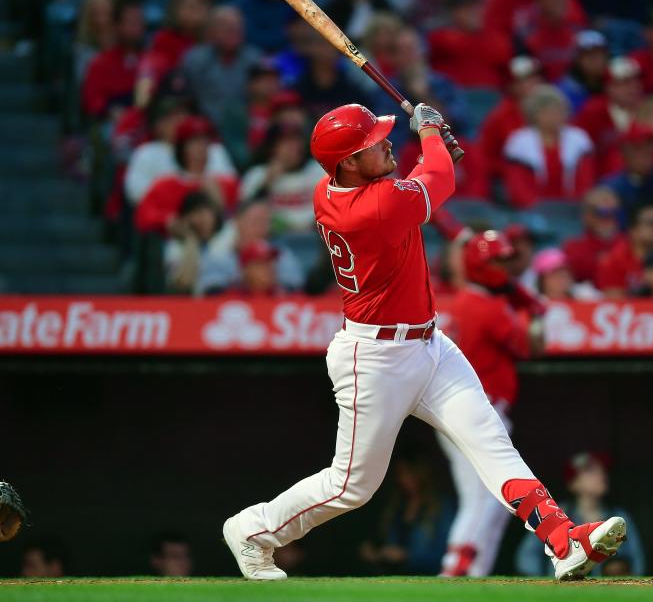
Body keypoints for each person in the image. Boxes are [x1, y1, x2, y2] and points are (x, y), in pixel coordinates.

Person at [221, 102, 627, 581]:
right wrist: (431, 133)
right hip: (374, 359)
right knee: (352, 486)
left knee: (493, 443)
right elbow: (433, 184)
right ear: (348, 162)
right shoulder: (372, 207)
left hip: (430, 346)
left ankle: (563, 541)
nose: (387, 141)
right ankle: (253, 530)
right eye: (374, 142)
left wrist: (432, 156)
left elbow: (419, 185)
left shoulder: (342, 189)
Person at [438, 231, 546, 577]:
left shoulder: (458, 303)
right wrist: (533, 312)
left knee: (497, 502)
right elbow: (531, 347)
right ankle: (456, 567)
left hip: (456, 409)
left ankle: (474, 572)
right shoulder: (487, 307)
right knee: (485, 496)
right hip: (480, 410)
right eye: (496, 261)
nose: (504, 267)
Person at [516, 452, 645, 577]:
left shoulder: (619, 515)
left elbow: (637, 561)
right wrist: (546, 583)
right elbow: (527, 555)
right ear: (573, 483)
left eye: (601, 470)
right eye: (590, 471)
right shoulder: (555, 512)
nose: (601, 474)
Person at [134, 116, 239, 234]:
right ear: (182, 148)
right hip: (176, 246)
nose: (201, 148)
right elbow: (142, 217)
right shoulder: (165, 185)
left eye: (205, 143)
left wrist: (222, 205)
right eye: (195, 143)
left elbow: (242, 219)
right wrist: (168, 221)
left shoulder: (227, 184)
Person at [125, 97, 236, 206]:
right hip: (166, 217)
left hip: (212, 212)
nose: (180, 121)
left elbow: (233, 187)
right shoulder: (146, 153)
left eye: (184, 115)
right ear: (158, 124)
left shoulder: (215, 150)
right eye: (173, 117)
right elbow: (135, 193)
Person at [359, 452, 456, 575]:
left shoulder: (441, 506)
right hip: (393, 577)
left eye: (406, 472)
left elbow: (447, 554)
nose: (402, 479)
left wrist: (407, 556)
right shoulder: (395, 506)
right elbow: (385, 544)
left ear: (420, 473)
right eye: (399, 473)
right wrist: (376, 554)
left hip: (429, 577)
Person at [502, 85, 596, 208]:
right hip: (532, 212)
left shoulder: (579, 139)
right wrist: (540, 210)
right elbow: (518, 187)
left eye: (559, 111)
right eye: (548, 111)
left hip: (573, 210)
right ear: (534, 115)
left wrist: (574, 207)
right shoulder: (519, 143)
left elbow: (585, 181)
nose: (555, 116)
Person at [198, 199, 305, 295]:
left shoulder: (282, 255)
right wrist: (247, 279)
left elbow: (295, 289)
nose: (262, 228)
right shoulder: (218, 256)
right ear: (238, 222)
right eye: (256, 221)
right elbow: (209, 294)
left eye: (266, 222)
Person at [180, 6, 263, 123]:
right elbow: (187, 99)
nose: (232, 29)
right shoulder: (194, 60)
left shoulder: (256, 59)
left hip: (246, 126)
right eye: (225, 25)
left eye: (237, 25)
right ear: (211, 30)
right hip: (205, 127)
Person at [241, 123, 326, 235]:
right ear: (272, 148)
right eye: (285, 142)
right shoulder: (257, 174)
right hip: (272, 238)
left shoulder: (319, 170)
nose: (293, 147)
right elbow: (243, 215)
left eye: (296, 141)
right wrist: (266, 183)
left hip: (316, 237)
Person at [427, 0, 512, 89]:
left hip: (493, 97)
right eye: (466, 9)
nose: (473, 12)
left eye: (476, 7)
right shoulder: (440, 38)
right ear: (453, 13)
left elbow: (506, 64)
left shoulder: (496, 38)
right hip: (456, 99)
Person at [478, 56, 543, 182]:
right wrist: (511, 170)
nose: (531, 84)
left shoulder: (552, 110)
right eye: (523, 81)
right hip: (511, 180)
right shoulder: (499, 117)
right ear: (511, 85)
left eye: (534, 78)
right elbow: (486, 156)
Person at [574, 57, 645, 172]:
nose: (633, 87)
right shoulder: (592, 113)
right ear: (609, 87)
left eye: (636, 80)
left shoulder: (649, 110)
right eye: (625, 82)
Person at [81, 0, 145, 120]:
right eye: (130, 22)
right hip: (111, 122)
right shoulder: (100, 63)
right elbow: (93, 102)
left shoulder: (154, 60)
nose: (136, 28)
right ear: (117, 26)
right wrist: (109, 110)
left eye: (139, 22)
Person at [165, 190, 221, 295]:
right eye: (198, 213)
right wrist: (190, 239)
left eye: (208, 213)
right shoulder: (175, 247)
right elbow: (183, 283)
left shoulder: (224, 240)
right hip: (188, 306)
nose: (204, 219)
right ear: (185, 218)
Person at [562, 186, 621, 283]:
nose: (609, 218)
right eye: (603, 213)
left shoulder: (629, 243)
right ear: (587, 215)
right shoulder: (573, 247)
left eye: (614, 212)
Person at [556, 31, 609, 113]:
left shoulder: (612, 82)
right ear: (577, 59)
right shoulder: (565, 90)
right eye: (590, 56)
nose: (596, 61)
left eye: (600, 54)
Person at [532, 248, 600, 300]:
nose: (562, 276)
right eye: (555, 273)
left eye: (565, 271)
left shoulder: (586, 294)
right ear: (542, 279)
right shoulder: (536, 303)